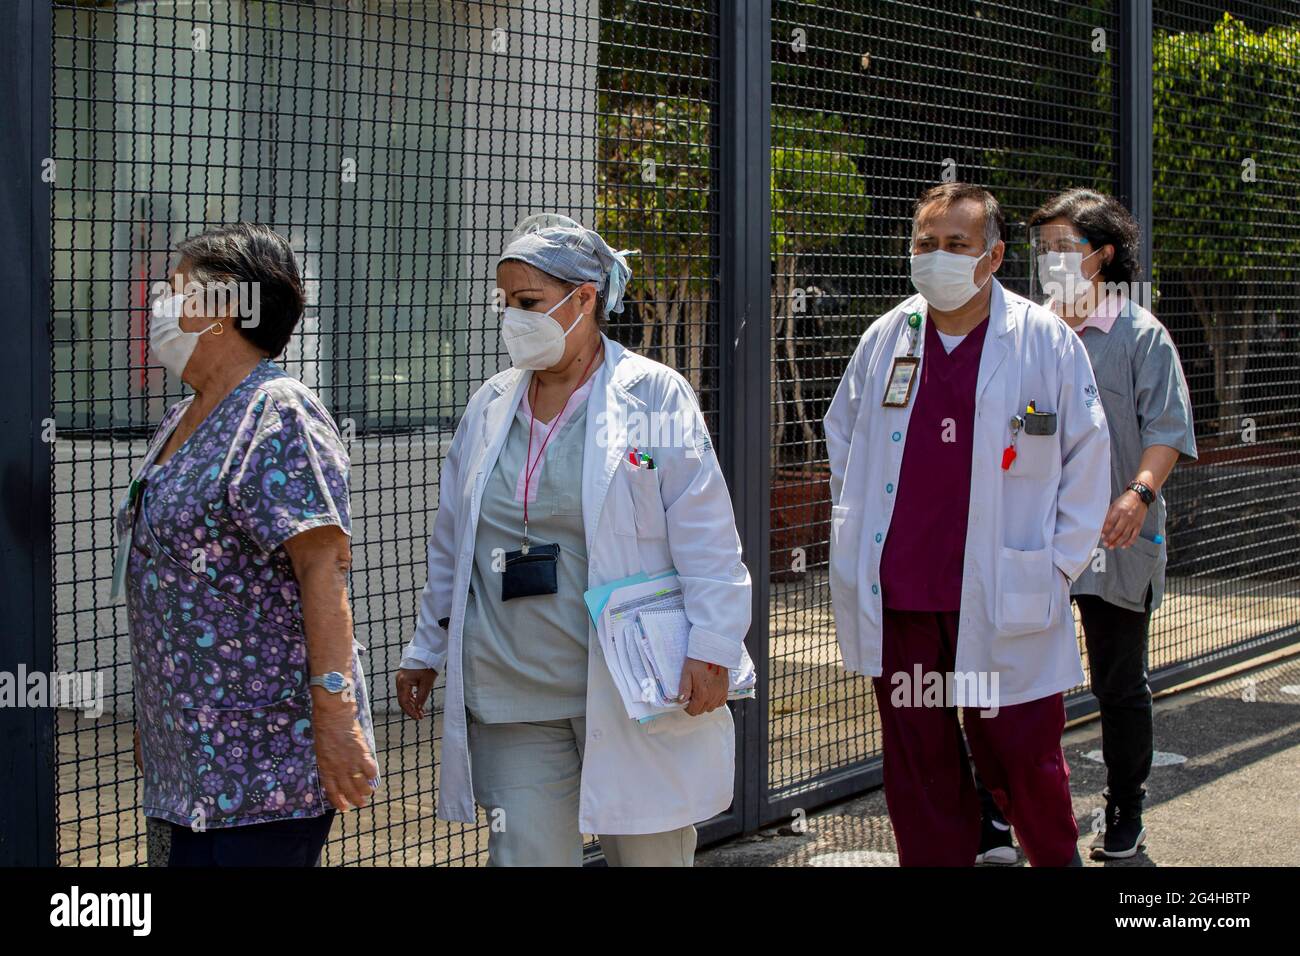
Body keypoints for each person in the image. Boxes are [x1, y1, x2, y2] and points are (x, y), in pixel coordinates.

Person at [396, 214, 751, 866]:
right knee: (524, 857)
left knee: (651, 860)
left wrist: (714, 645)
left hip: (632, 685)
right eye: (505, 304)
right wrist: (425, 648)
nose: (512, 319)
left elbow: (706, 532)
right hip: (510, 689)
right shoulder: (489, 405)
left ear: (584, 298)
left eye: (527, 303)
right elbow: (452, 543)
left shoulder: (654, 397)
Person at [823, 183, 1110, 866]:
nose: (938, 257)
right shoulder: (886, 337)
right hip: (904, 603)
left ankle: (1055, 858)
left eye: (957, 244)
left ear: (994, 255)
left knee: (1022, 757)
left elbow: (1088, 456)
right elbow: (846, 444)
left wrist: (1058, 565)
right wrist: (857, 541)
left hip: (1007, 593)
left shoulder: (1044, 342)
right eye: (927, 243)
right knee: (919, 766)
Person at [117, 222, 379, 866]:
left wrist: (336, 716)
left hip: (262, 763)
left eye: (175, 292)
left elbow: (324, 567)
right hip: (188, 768)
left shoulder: (277, 410)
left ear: (227, 307)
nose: (160, 308)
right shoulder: (183, 416)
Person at [1025, 187, 1197, 859]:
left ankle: (1126, 807)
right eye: (1043, 250)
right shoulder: (1028, 330)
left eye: (1063, 249)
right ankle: (1006, 806)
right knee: (1018, 674)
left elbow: (1166, 431)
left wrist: (1137, 495)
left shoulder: (1139, 334)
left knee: (1118, 681)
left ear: (1102, 257)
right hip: (1032, 536)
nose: (1050, 261)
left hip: (1115, 537)